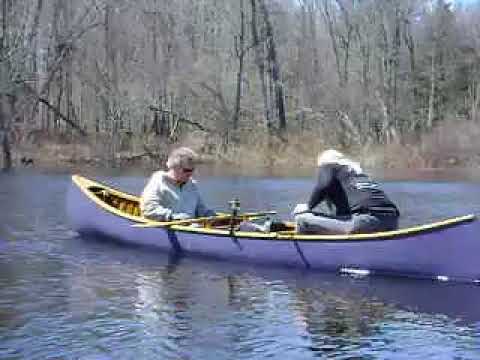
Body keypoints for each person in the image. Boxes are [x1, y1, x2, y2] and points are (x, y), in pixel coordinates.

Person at [293, 149, 399, 234]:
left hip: (366, 221)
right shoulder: (357, 173)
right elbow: (344, 213)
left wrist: (308, 207)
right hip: (393, 221)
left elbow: (324, 184)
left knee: (302, 219)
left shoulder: (329, 165)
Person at [140, 147, 216, 221]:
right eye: (187, 170)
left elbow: (200, 208)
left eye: (192, 170)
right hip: (169, 227)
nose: (191, 173)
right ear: (175, 167)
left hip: (191, 227)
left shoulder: (191, 185)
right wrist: (173, 217)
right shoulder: (158, 182)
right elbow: (148, 210)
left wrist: (209, 214)